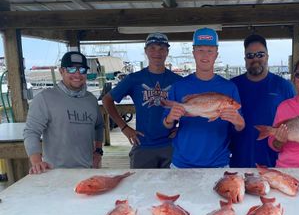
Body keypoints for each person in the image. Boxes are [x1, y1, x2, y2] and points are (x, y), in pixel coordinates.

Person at [163, 27, 245, 168]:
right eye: (200, 50)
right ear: (193, 53)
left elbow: (240, 127)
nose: (205, 55)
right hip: (182, 163)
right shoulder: (179, 86)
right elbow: (166, 124)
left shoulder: (229, 87)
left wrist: (238, 121)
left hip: (218, 163)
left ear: (216, 54)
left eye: (210, 51)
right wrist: (170, 118)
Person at [102, 33, 182, 168]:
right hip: (142, 145)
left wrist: (182, 128)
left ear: (167, 52)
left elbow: (188, 107)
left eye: (162, 48)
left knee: (171, 187)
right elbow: (107, 100)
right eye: (152, 48)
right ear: (145, 51)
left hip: (171, 145)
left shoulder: (178, 81)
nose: (157, 52)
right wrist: (124, 127)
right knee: (140, 187)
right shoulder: (134, 79)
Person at [24, 51, 104, 174]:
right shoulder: (45, 98)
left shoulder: (91, 100)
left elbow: (99, 126)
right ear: (61, 71)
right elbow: (31, 132)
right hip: (54, 172)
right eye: (71, 69)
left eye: (82, 70)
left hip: (88, 170)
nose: (77, 74)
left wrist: (98, 152)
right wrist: (37, 162)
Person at [229, 34, 296, 168]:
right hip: (239, 159)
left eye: (260, 54)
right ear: (245, 59)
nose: (255, 59)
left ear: (267, 56)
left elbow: (295, 122)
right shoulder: (232, 86)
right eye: (250, 55)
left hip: (275, 160)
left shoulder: (284, 86)